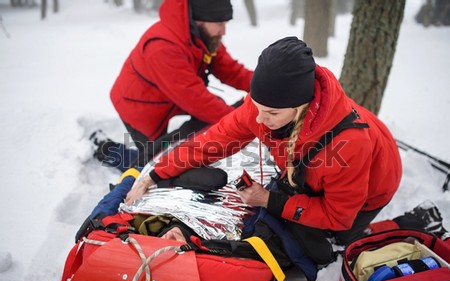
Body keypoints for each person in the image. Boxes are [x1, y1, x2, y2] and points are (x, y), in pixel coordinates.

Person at [125, 36, 403, 266]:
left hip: (372, 187)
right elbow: (212, 142)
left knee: (331, 238)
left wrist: (271, 201)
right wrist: (156, 174)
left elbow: (337, 215)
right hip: (320, 165)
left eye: (270, 113)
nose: (258, 120)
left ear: (300, 108)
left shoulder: (347, 145)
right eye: (255, 107)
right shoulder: (265, 106)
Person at [93, 0, 253, 171]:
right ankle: (108, 151)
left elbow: (231, 70)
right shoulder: (162, 47)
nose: (224, 31)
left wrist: (266, 85)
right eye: (219, 24)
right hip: (140, 106)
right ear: (198, 19)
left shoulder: (203, 36)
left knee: (202, 125)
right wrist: (241, 124)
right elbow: (195, 99)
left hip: (170, 98)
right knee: (154, 162)